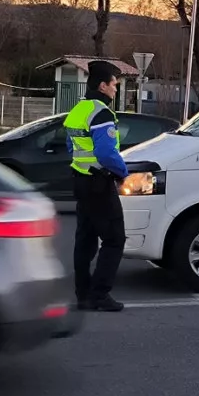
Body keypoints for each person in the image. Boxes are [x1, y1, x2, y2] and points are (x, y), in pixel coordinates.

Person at [65, 61, 129, 312]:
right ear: (103, 86)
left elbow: (71, 148)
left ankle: (82, 294)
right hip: (99, 183)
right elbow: (105, 152)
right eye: (114, 85)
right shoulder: (101, 112)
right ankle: (100, 295)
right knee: (114, 239)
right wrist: (122, 172)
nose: (116, 90)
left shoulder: (78, 110)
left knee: (85, 240)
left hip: (80, 180)